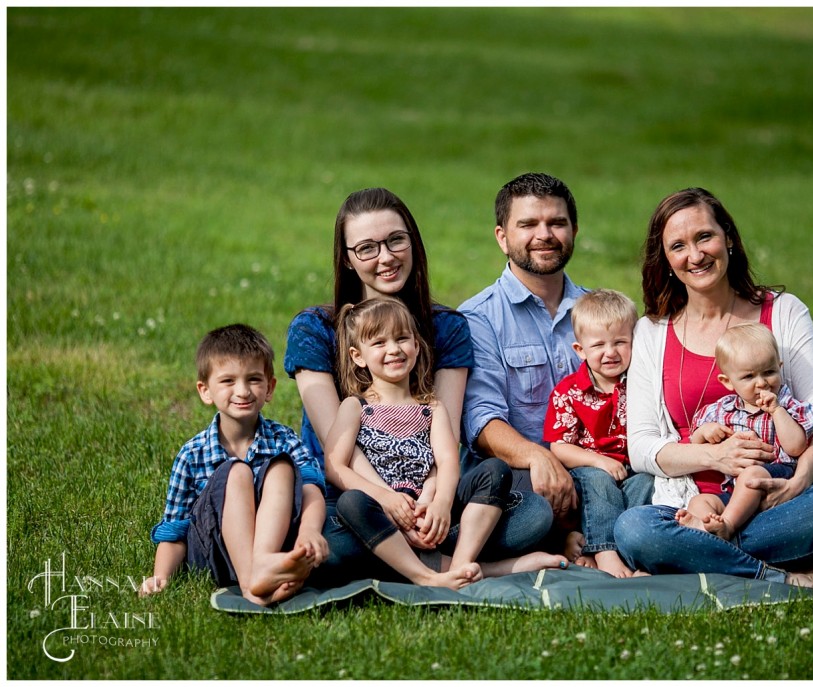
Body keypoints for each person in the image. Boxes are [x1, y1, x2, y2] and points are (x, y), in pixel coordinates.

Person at [285, 188, 551, 584]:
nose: (386, 257)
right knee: (329, 545)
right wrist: (391, 503)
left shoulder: (447, 327)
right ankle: (458, 566)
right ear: (347, 258)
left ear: (412, 241)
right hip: (349, 501)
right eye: (367, 248)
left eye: (395, 240)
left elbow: (439, 438)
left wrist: (431, 502)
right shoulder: (314, 329)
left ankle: (425, 556)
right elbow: (336, 449)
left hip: (429, 495)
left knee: (535, 515)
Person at [613, 187, 813, 592]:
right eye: (677, 246)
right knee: (634, 529)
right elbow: (642, 447)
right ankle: (791, 575)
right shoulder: (652, 332)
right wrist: (715, 454)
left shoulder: (783, 312)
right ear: (665, 260)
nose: (695, 255)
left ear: (728, 237)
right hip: (691, 506)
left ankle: (697, 555)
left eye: (704, 237)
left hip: (774, 500)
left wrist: (798, 483)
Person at [327, 297, 567, 589]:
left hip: (434, 512)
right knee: (350, 505)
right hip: (382, 513)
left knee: (495, 471)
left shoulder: (432, 407)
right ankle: (428, 575)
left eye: (402, 338)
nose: (394, 349)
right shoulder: (355, 407)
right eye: (379, 343)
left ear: (416, 346)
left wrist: (438, 502)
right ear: (358, 356)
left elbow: (448, 461)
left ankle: (458, 567)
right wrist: (386, 499)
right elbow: (335, 466)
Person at [141, 324, 328, 606]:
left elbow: (312, 488)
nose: (242, 391)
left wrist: (309, 531)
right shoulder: (192, 454)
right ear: (205, 391)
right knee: (236, 471)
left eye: (253, 379)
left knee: (281, 466)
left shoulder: (283, 439)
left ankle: (264, 565)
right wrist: (161, 576)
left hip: (277, 546)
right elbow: (175, 530)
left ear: (270, 387)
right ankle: (252, 585)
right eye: (228, 381)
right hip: (215, 555)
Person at [459, 172, 586, 531]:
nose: (544, 235)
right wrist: (536, 456)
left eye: (556, 223)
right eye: (528, 224)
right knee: (535, 513)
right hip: (520, 476)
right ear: (503, 237)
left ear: (574, 230)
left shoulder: (601, 312)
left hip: (595, 470)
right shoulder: (477, 317)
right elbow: (481, 420)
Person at [542, 289, 653, 578]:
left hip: (633, 468)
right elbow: (559, 447)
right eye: (599, 345)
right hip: (589, 473)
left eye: (620, 342)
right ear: (580, 350)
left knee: (647, 482)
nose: (610, 352)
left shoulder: (642, 383)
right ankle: (604, 550)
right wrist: (598, 461)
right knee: (599, 482)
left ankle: (632, 552)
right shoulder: (569, 391)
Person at [672, 322, 813, 542]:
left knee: (751, 475)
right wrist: (705, 432)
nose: (761, 383)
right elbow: (695, 443)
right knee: (700, 502)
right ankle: (704, 528)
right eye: (749, 377)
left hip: (777, 480)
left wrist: (777, 411)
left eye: (769, 372)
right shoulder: (722, 409)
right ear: (727, 381)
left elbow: (796, 447)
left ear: (780, 367)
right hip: (734, 491)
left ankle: (728, 527)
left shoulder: (789, 405)